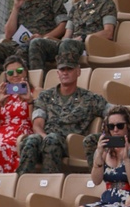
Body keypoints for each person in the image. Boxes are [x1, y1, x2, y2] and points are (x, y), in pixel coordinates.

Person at [17, 43, 109, 173]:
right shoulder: (45, 96)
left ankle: (48, 185)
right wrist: (44, 136)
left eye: (69, 69)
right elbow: (37, 124)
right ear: (58, 73)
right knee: (31, 140)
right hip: (47, 138)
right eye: (62, 70)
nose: (65, 73)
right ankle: (21, 183)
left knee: (52, 139)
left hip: (72, 143)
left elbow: (112, 111)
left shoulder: (90, 98)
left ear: (78, 71)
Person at [0, 0, 67, 75]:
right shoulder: (18, 4)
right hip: (19, 44)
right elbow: (8, 35)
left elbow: (63, 26)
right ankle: (6, 84)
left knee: (28, 48)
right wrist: (16, 7)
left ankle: (34, 85)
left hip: (44, 42)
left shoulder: (51, 0)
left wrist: (44, 37)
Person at [57, 0, 118, 64]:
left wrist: (84, 38)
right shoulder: (75, 7)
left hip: (92, 45)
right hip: (71, 44)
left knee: (67, 45)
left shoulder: (107, 4)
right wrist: (66, 41)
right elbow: (67, 35)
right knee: (37, 43)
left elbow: (108, 33)